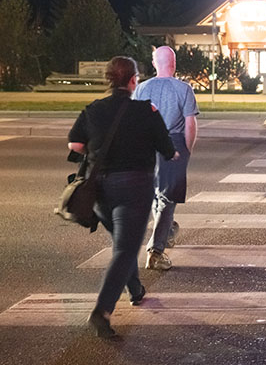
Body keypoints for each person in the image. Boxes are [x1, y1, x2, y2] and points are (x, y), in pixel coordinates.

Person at [67, 56, 176, 338]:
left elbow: (75, 144)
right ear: (133, 81)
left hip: (100, 191)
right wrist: (173, 154)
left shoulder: (93, 109)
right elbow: (165, 148)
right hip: (134, 188)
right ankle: (101, 311)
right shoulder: (146, 111)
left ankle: (136, 290)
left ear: (108, 80)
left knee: (121, 242)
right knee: (126, 248)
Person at [133, 46, 199, 271]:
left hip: (146, 145)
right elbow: (190, 124)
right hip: (173, 143)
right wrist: (187, 150)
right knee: (168, 198)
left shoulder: (141, 89)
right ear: (174, 63)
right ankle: (156, 250)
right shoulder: (184, 89)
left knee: (156, 194)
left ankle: (168, 230)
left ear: (154, 63)